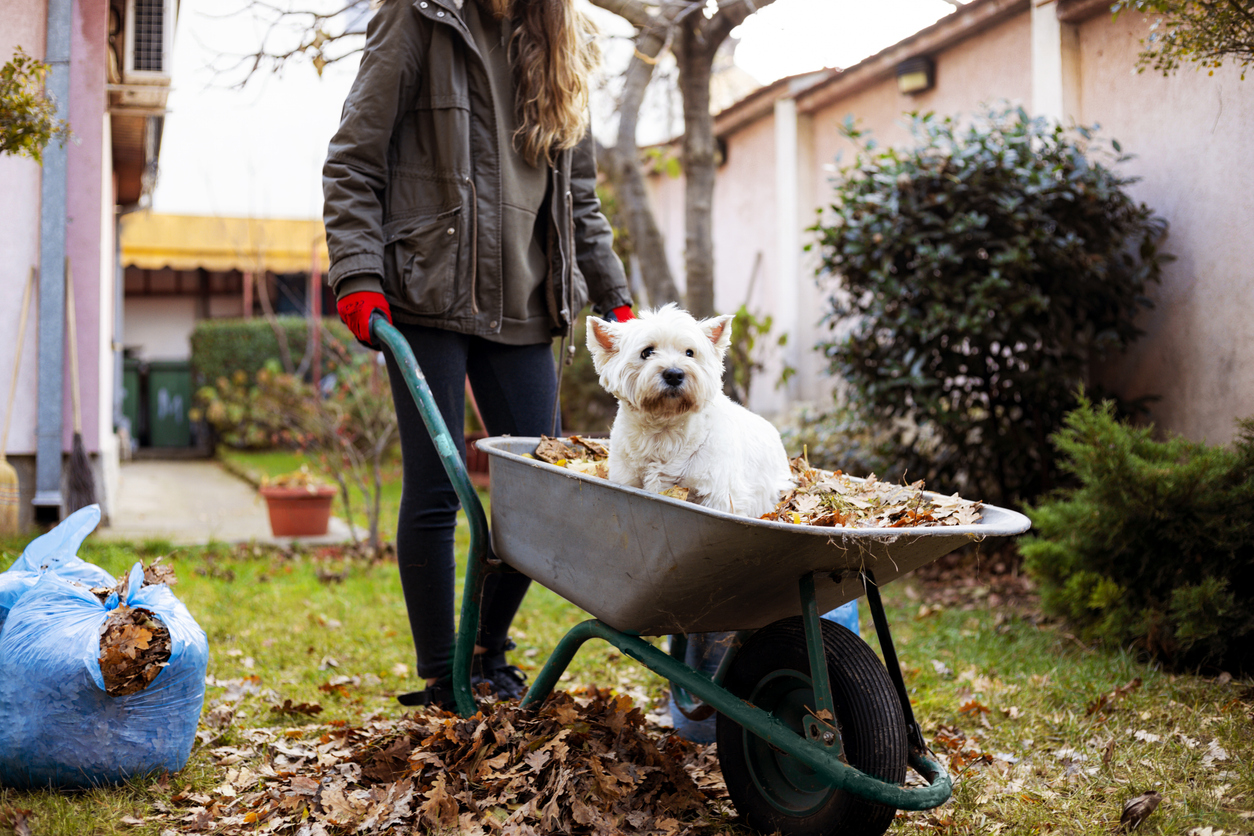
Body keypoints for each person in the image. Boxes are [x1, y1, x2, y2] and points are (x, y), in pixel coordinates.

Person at [322, 0, 633, 709]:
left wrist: (614, 296)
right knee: (435, 487)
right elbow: (353, 159)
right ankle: (443, 672)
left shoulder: (561, 37)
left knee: (541, 491)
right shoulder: (418, 16)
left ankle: (488, 650)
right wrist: (359, 276)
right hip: (425, 291)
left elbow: (578, 198)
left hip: (525, 303)